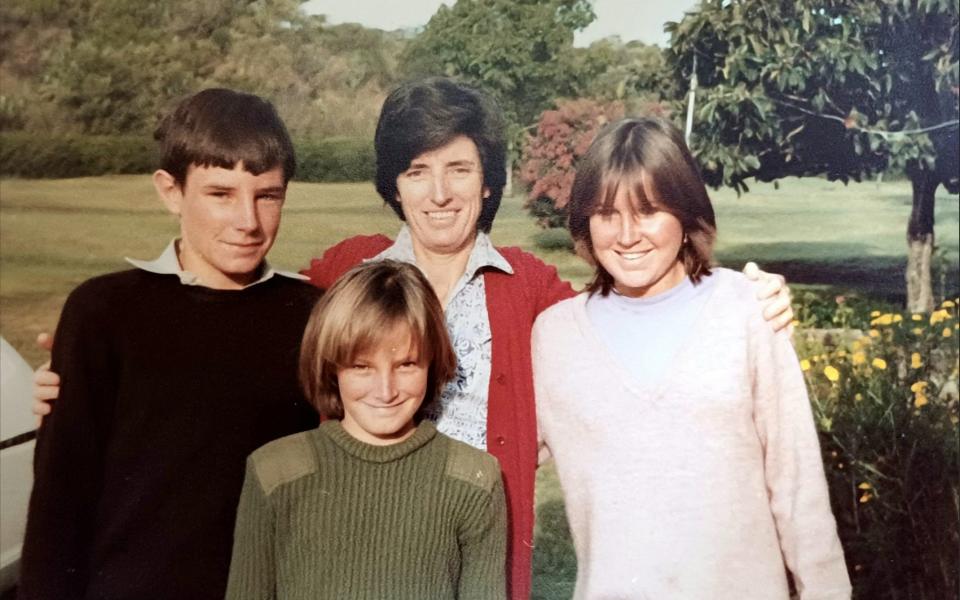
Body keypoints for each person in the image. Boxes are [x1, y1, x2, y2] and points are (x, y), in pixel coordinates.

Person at [32, 77, 795, 599]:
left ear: (488, 181)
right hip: (344, 559)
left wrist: (740, 295)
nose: (439, 193)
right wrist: (73, 384)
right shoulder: (339, 277)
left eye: (459, 170)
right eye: (417, 170)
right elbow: (234, 341)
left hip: (477, 560)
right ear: (392, 182)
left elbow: (628, 326)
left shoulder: (531, 288)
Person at [532, 117, 851, 599]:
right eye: (605, 214)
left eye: (648, 211)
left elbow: (797, 487)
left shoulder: (747, 309)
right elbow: (493, 459)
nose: (626, 235)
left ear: (685, 215)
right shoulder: (555, 336)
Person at [19, 88, 320, 599]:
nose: (248, 221)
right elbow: (59, 501)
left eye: (267, 195)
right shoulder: (103, 312)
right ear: (171, 191)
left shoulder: (313, 314)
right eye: (220, 194)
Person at [226, 260, 507, 599]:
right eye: (361, 366)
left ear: (432, 361)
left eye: (406, 364)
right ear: (332, 366)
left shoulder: (474, 477)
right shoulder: (275, 469)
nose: (385, 391)